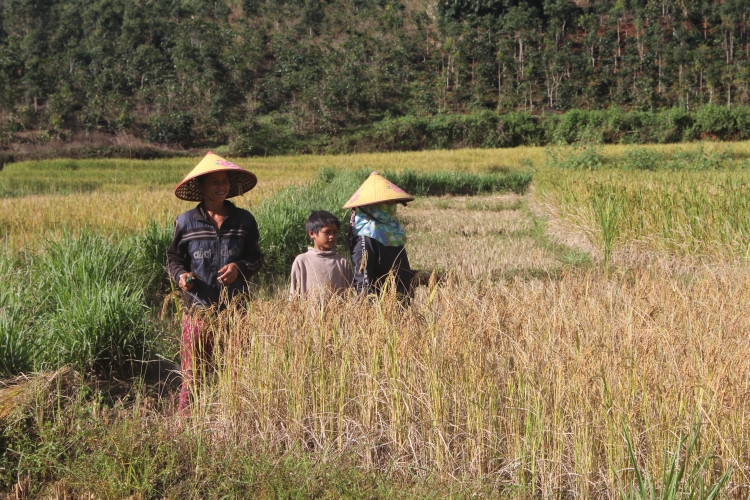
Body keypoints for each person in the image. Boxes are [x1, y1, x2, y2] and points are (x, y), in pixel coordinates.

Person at [166, 151, 263, 414]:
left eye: (225, 181)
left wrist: (239, 267)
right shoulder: (185, 222)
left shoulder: (244, 220)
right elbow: (174, 258)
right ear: (201, 187)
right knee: (193, 370)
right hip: (198, 309)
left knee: (236, 368)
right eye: (214, 182)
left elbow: (256, 258)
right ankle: (187, 422)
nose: (221, 187)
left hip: (236, 310)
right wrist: (181, 277)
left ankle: (232, 418)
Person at [344, 172, 417, 296]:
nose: (392, 206)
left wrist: (419, 276)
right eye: (388, 203)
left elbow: (398, 270)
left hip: (399, 303)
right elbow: (363, 280)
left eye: (393, 202)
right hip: (381, 306)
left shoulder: (393, 232)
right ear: (374, 205)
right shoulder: (366, 234)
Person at [290, 211, 353, 299]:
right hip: (309, 312)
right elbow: (293, 295)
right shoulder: (302, 261)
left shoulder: (342, 262)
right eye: (327, 232)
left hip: (338, 312)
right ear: (312, 234)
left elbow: (350, 294)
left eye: (335, 232)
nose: (332, 236)